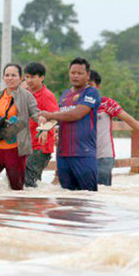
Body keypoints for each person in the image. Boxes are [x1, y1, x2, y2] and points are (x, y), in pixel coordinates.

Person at [0, 63, 46, 190]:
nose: (10, 78)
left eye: (14, 75)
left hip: (16, 150)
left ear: (21, 78)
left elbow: (36, 114)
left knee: (17, 188)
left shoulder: (26, 96)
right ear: (3, 78)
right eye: (7, 75)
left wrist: (43, 124)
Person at [40, 58, 101, 191]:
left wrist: (49, 115)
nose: (75, 76)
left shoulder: (91, 92)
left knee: (88, 197)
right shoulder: (65, 94)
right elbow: (59, 118)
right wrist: (46, 126)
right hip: (63, 154)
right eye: (73, 73)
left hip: (83, 153)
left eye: (79, 73)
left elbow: (76, 114)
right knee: (66, 197)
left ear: (88, 75)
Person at [89, 70, 139, 185]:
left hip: (103, 157)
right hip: (81, 157)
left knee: (100, 194)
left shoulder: (106, 104)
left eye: (90, 85)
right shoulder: (75, 106)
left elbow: (130, 120)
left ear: (98, 86)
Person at [23, 62, 59, 188]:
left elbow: (54, 117)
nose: (29, 80)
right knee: (23, 180)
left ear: (42, 78)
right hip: (26, 143)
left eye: (33, 77)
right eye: (27, 77)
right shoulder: (25, 94)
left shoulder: (47, 96)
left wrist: (44, 130)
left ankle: (35, 206)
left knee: (29, 181)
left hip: (40, 146)